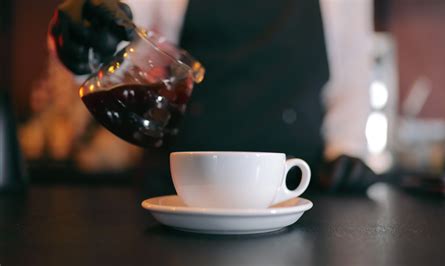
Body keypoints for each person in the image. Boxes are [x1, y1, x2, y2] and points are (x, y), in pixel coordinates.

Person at [48, 0, 378, 194]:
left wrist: (346, 149)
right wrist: (87, 31)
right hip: (179, 192)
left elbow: (351, 70)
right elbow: (119, 31)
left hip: (293, 192)